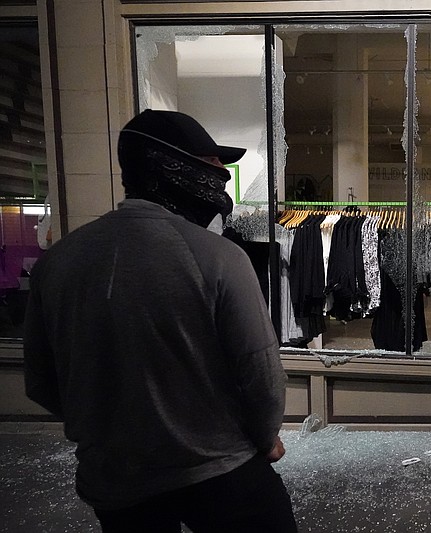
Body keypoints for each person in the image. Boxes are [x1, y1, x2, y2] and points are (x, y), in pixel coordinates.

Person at [23, 109, 297, 532]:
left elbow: (41, 381)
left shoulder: (57, 262)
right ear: (171, 166)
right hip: (218, 470)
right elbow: (260, 372)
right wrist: (266, 438)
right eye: (211, 163)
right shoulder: (218, 256)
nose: (222, 175)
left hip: (116, 478)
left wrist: (109, 424)